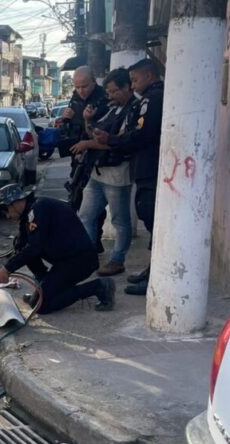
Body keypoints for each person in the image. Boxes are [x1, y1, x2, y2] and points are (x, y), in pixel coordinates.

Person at [0, 184, 116, 314]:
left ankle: (99, 287)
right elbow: (22, 247)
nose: (7, 216)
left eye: (5, 211)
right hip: (65, 260)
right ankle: (44, 286)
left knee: (42, 306)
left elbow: (35, 248)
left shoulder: (40, 209)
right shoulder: (29, 214)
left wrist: (6, 269)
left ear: (14, 203)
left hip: (80, 262)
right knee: (20, 246)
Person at [93, 59, 164, 295]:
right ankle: (153, 269)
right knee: (149, 217)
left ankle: (158, 276)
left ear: (149, 76)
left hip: (149, 168)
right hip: (145, 168)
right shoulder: (145, 100)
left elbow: (140, 136)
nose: (133, 86)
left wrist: (111, 140)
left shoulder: (152, 99)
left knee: (152, 220)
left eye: (135, 80)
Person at [71, 68, 138, 277]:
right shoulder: (113, 108)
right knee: (85, 215)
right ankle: (87, 256)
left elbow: (119, 143)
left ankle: (117, 259)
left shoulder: (134, 109)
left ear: (127, 88)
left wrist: (87, 143)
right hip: (98, 172)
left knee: (119, 220)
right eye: (108, 91)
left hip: (117, 174)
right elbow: (98, 132)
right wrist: (88, 121)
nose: (110, 95)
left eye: (114, 91)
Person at [59, 66, 110, 178]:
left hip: (98, 159)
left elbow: (102, 131)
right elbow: (68, 126)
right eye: (77, 87)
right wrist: (66, 118)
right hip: (77, 154)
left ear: (93, 81)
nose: (81, 91)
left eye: (84, 86)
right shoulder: (75, 97)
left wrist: (86, 119)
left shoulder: (104, 98)